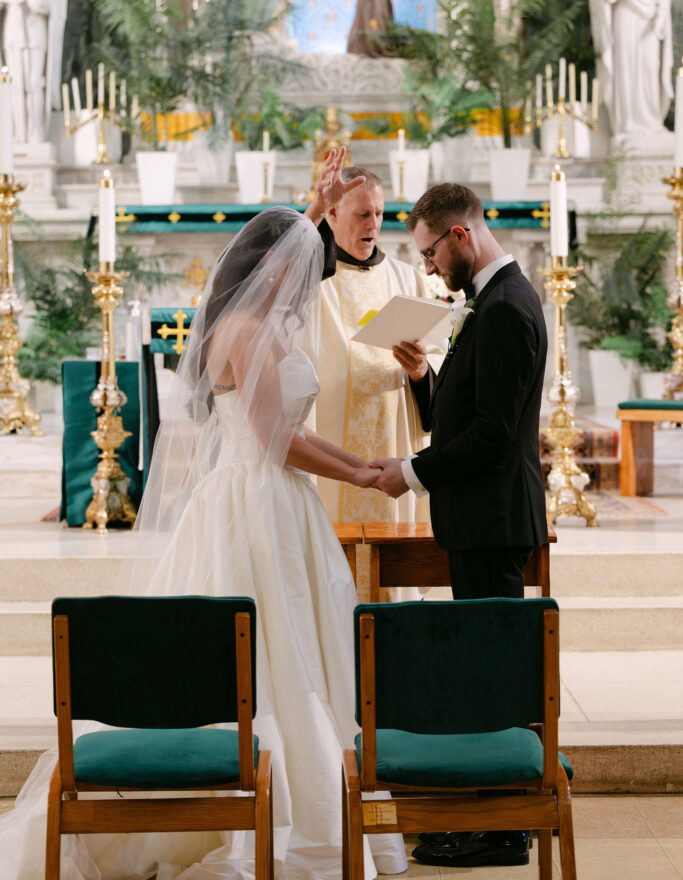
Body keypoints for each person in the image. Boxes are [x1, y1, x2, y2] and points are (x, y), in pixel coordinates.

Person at [0, 151, 407, 880]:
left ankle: (306, 805)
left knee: (301, 653)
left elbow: (287, 430)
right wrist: (363, 474)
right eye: (297, 260)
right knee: (267, 653)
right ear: (272, 267)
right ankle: (263, 819)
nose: (306, 273)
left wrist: (357, 469)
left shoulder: (261, 320)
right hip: (255, 503)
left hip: (281, 505)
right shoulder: (247, 332)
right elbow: (277, 441)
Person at [372, 182, 548, 869]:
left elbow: (494, 437)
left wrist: (410, 473)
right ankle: (491, 818)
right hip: (483, 516)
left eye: (428, 253)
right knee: (485, 666)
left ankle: (502, 830)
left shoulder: (505, 309)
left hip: (493, 516)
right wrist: (422, 378)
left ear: (460, 236)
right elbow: (468, 413)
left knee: (494, 673)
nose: (427, 269)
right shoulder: (494, 303)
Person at [313, 165, 443, 526]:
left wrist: (421, 372)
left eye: (379, 213)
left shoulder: (407, 279)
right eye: (363, 214)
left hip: (394, 446)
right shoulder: (310, 283)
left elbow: (438, 360)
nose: (373, 224)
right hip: (330, 451)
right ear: (333, 213)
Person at [587, 0, 673, 145]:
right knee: (626, 70)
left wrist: (660, 17)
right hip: (624, 19)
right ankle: (628, 123)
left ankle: (651, 121)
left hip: (647, 23)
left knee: (648, 68)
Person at [0, 0, 68, 143]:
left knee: (34, 82)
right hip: (12, 31)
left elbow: (52, 7)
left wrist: (37, 1)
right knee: (14, 84)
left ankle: (36, 131)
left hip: (35, 30)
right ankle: (18, 134)